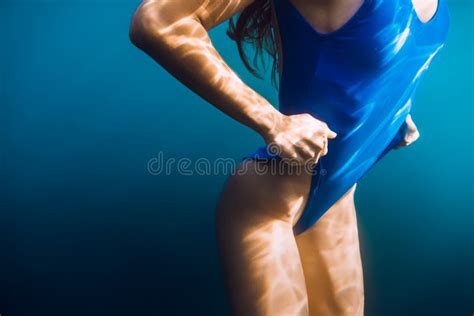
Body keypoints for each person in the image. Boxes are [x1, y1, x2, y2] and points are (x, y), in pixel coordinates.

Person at [129, 0, 449, 314]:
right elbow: (157, 20)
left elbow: (378, 57)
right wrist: (272, 121)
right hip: (270, 204)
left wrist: (391, 114)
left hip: (334, 202)